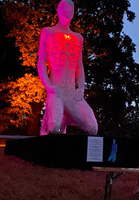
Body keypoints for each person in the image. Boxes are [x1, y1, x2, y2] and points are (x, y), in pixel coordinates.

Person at [37, 0, 98, 135]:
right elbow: (41, 61)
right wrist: (48, 87)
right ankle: (50, 118)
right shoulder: (48, 32)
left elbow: (79, 66)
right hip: (56, 90)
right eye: (66, 7)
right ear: (59, 10)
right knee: (53, 128)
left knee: (93, 128)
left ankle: (65, 116)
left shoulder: (78, 38)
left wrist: (81, 88)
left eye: (72, 7)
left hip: (72, 93)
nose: (70, 9)